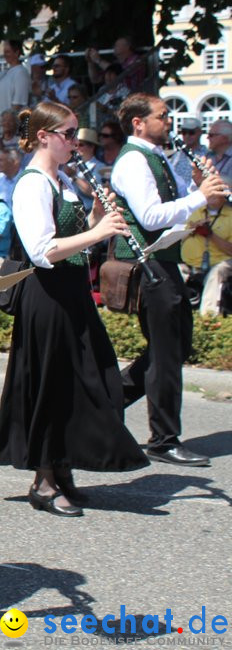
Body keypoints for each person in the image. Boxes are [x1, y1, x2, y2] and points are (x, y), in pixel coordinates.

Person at [0, 101, 148, 517]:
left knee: (93, 381)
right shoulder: (32, 184)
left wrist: (97, 216)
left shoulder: (62, 180)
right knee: (50, 386)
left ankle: (62, 465)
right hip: (47, 296)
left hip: (72, 292)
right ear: (44, 136)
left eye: (77, 133)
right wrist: (96, 229)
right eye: (69, 134)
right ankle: (44, 479)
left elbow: (78, 242)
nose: (76, 142)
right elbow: (42, 250)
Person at [110, 93, 230, 467]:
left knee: (175, 347)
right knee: (165, 354)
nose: (170, 122)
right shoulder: (132, 160)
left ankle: (105, 400)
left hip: (164, 261)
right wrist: (197, 195)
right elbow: (149, 216)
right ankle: (163, 438)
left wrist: (198, 189)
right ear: (138, 123)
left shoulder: (157, 156)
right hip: (148, 265)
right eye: (163, 116)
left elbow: (179, 212)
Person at [182, 193, 231, 316]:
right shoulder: (194, 212)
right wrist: (192, 229)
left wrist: (210, 234)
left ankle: (208, 317)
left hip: (221, 261)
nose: (211, 197)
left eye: (216, 194)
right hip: (189, 262)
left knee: (217, 272)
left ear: (224, 197)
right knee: (173, 270)